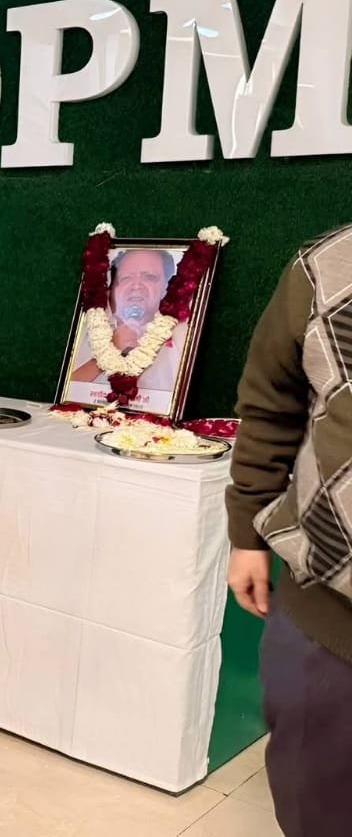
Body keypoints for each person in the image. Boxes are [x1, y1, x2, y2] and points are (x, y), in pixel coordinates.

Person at [226, 224, 352, 837]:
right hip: (327, 609)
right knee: (316, 805)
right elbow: (269, 407)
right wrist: (247, 532)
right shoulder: (325, 266)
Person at [68, 248, 182, 392]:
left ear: (166, 287)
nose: (136, 286)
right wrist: (110, 349)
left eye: (149, 277)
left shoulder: (180, 337)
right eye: (126, 277)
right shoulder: (89, 327)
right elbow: (66, 393)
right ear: (113, 288)